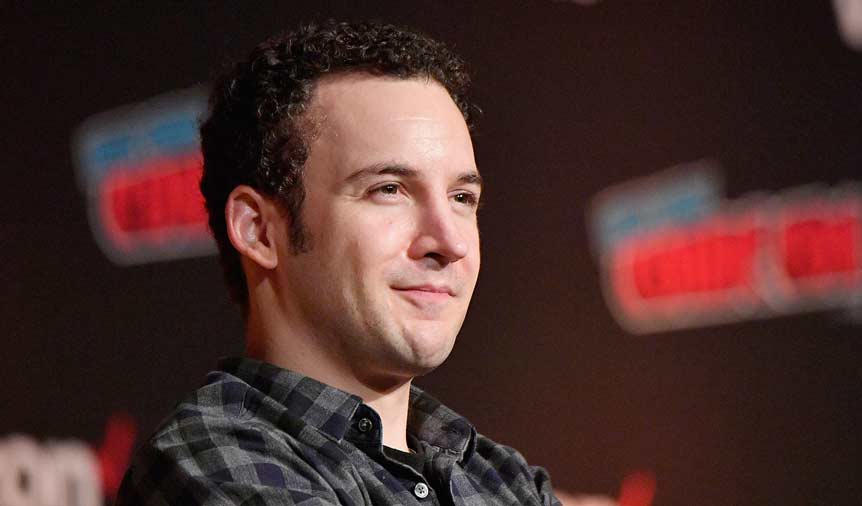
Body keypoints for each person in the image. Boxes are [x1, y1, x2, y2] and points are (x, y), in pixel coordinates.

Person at [117, 19, 563, 506]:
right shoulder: (209, 465)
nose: (449, 242)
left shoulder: (506, 480)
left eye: (462, 197)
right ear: (259, 229)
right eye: (389, 190)